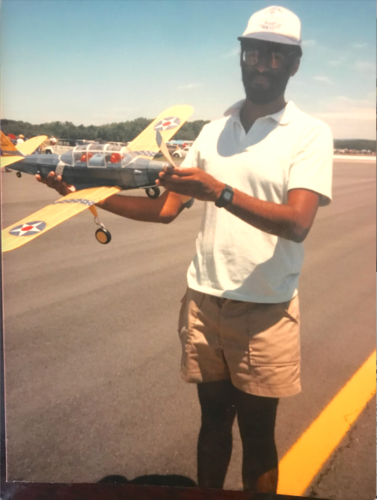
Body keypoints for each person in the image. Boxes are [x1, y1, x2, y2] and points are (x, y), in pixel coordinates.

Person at [36, 5, 333, 493]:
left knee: (258, 437)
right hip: (203, 304)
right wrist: (86, 195)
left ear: (294, 63)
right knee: (212, 424)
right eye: (253, 51)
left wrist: (219, 191)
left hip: (266, 310)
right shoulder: (214, 132)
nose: (261, 63)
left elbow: (298, 224)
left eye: (275, 55)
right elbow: (166, 209)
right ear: (240, 56)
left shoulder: (310, 134)